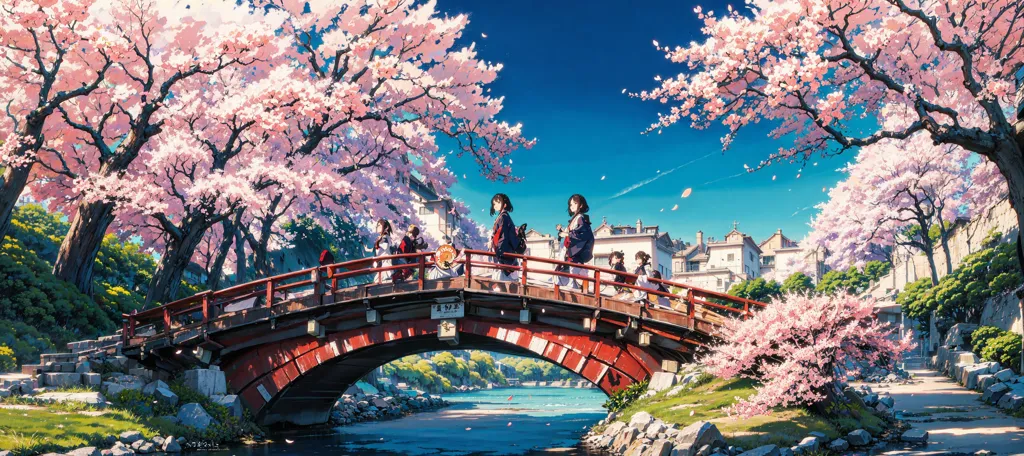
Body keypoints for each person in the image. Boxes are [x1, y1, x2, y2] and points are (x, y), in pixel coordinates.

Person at [556, 194, 594, 290]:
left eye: (575, 203)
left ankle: (574, 294)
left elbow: (582, 234)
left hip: (575, 253)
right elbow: (572, 232)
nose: (572, 206)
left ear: (581, 205)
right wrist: (562, 231)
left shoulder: (580, 218)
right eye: (570, 204)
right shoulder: (575, 218)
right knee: (568, 276)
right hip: (569, 252)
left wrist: (567, 234)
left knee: (572, 276)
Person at [488, 193, 521, 281]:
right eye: (494, 204)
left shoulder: (503, 217)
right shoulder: (502, 217)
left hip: (503, 251)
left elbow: (502, 235)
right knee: (503, 278)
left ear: (504, 204)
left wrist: (498, 250)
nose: (495, 205)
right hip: (503, 250)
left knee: (502, 279)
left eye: (498, 203)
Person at [363, 219, 393, 284]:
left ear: (386, 227)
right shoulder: (381, 238)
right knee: (378, 280)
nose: (377, 227)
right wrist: (367, 249)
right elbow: (376, 248)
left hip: (385, 262)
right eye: (377, 225)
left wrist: (378, 242)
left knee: (381, 279)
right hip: (382, 263)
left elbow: (385, 246)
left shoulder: (385, 237)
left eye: (379, 225)